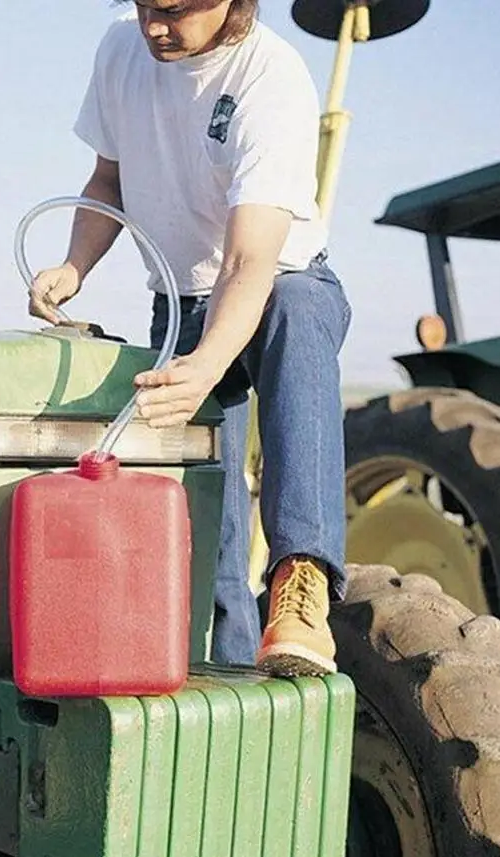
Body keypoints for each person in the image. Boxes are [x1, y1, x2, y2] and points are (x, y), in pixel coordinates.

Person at [29, 0, 352, 677]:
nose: (153, 25)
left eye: (173, 10)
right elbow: (108, 179)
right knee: (209, 532)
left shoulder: (270, 77)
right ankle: (223, 673)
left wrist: (207, 364)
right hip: (178, 302)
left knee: (295, 312)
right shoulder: (121, 49)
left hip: (274, 284)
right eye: (144, 4)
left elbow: (248, 262)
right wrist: (74, 265)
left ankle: (301, 581)